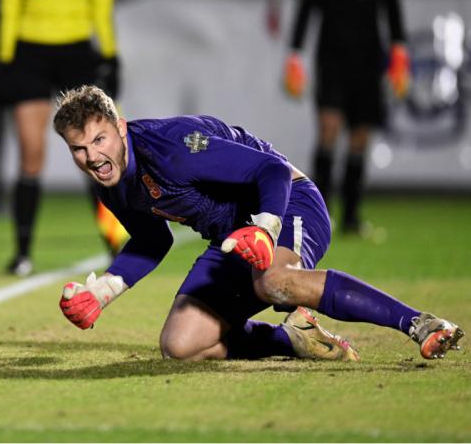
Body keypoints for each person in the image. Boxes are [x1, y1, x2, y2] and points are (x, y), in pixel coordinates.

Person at [53, 85, 464, 362]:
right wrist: (104, 291)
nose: (92, 157)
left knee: (274, 281)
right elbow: (150, 239)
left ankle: (418, 322)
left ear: (120, 128)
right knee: (180, 346)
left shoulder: (172, 149)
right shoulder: (110, 182)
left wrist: (265, 228)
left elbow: (272, 170)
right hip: (235, 239)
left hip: (287, 203)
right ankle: (294, 337)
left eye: (100, 140)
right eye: (79, 149)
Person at [0, 0, 124, 276]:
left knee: (97, 155)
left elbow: (101, 7)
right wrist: (4, 59)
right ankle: (22, 254)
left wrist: (110, 55)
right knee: (31, 154)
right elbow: (10, 6)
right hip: (28, 53)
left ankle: (115, 247)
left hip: (77, 52)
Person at [282, 0, 410, 234]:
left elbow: (391, 5)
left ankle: (351, 217)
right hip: (331, 60)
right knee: (329, 129)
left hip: (369, 62)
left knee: (360, 138)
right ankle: (320, 213)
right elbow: (307, 6)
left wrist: (399, 48)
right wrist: (294, 53)